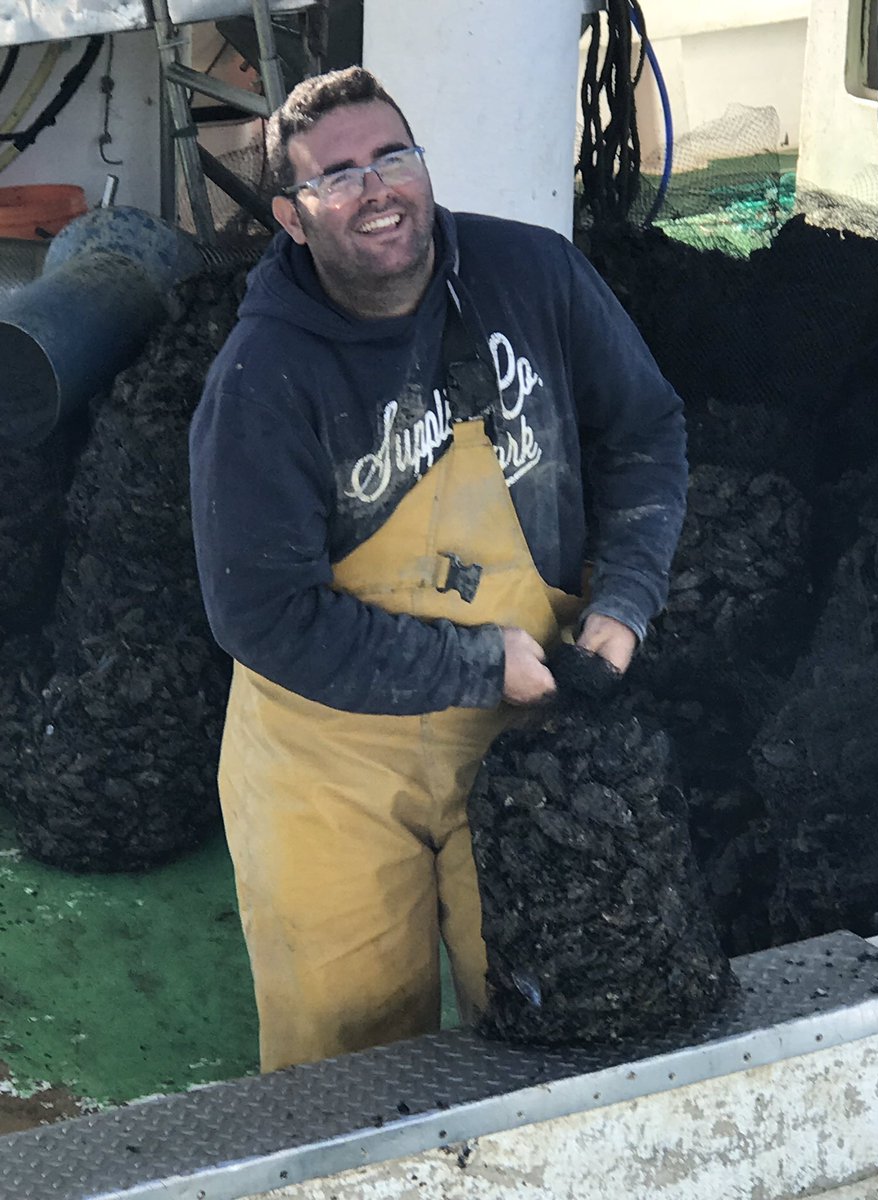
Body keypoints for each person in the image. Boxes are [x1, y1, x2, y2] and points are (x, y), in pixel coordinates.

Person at [189, 66, 687, 1072]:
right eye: (338, 177)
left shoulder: (533, 276)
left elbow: (645, 431)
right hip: (325, 760)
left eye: (394, 157)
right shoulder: (261, 378)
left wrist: (626, 602)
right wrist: (477, 664)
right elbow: (262, 615)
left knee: (552, 1021)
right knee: (347, 1062)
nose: (376, 188)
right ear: (291, 219)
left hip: (524, 732)